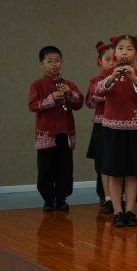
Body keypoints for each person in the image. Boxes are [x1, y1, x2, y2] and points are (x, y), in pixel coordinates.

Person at [95, 35, 137, 227]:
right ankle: (118, 211)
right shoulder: (107, 73)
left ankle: (130, 210)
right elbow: (97, 91)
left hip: (135, 130)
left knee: (131, 173)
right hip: (112, 130)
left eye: (129, 49)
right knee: (115, 172)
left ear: (135, 54)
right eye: (120, 48)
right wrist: (112, 76)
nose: (124, 52)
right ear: (114, 52)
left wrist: (133, 77)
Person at [28, 46, 84, 212]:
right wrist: (50, 99)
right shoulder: (37, 85)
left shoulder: (68, 84)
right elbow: (32, 105)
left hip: (64, 133)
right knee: (45, 168)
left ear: (62, 62)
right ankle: (48, 199)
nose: (54, 64)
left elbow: (79, 103)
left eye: (57, 61)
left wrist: (69, 93)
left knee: (65, 167)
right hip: (46, 134)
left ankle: (61, 198)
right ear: (42, 64)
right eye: (49, 61)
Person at [85, 42, 115, 213]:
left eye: (114, 59)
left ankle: (119, 196)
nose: (111, 63)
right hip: (101, 125)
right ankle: (105, 196)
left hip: (119, 126)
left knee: (118, 162)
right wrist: (106, 94)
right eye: (107, 59)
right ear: (100, 61)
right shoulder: (96, 80)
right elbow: (89, 101)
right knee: (103, 162)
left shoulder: (126, 77)